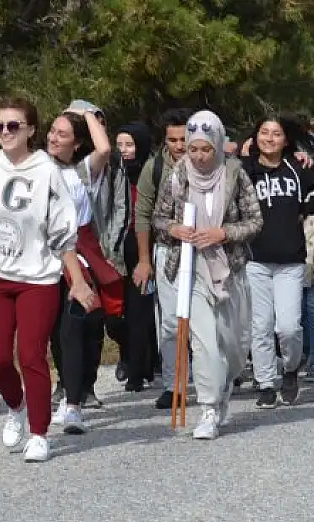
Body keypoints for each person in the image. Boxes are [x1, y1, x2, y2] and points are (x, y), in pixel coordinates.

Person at [0, 97, 94, 463]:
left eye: (13, 126)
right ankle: (15, 405)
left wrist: (78, 281)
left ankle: (38, 432)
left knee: (31, 354)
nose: (5, 132)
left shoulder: (47, 170)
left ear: (31, 129)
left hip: (38, 276)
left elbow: (63, 230)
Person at [153, 110, 262, 440]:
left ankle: (225, 383)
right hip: (190, 269)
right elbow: (158, 220)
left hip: (229, 269)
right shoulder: (176, 176)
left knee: (233, 346)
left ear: (217, 145)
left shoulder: (235, 175)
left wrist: (223, 233)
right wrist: (175, 228)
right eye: (193, 149)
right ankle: (209, 409)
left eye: (206, 150)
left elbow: (255, 221)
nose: (199, 157)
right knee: (203, 344)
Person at [242, 114, 314, 408]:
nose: (270, 138)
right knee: (261, 326)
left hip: (291, 260)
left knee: (289, 327)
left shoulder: (296, 167)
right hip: (255, 259)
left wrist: (305, 207)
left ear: (286, 140)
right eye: (264, 132)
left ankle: (291, 369)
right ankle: (266, 383)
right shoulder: (245, 171)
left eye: (277, 134)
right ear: (255, 137)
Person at [46, 107, 115, 433]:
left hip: (77, 261)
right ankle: (64, 392)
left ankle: (74, 404)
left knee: (76, 328)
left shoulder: (81, 173)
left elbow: (104, 149)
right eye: (52, 131)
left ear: (76, 144)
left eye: (62, 134)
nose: (53, 137)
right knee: (54, 335)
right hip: (42, 263)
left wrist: (85, 112)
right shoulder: (35, 168)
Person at [133, 108, 191, 409]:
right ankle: (174, 385)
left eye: (184, 138)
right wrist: (145, 260)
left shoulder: (211, 164)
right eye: (173, 140)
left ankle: (217, 377)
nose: (180, 146)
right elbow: (142, 215)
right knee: (170, 322)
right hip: (168, 250)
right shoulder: (154, 168)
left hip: (206, 251)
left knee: (208, 319)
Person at [112, 122, 157, 392]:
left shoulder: (151, 172)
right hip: (114, 246)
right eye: (119, 145)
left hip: (143, 244)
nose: (124, 151)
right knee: (114, 317)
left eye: (129, 145)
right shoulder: (109, 173)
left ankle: (139, 371)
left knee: (140, 309)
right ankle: (127, 353)